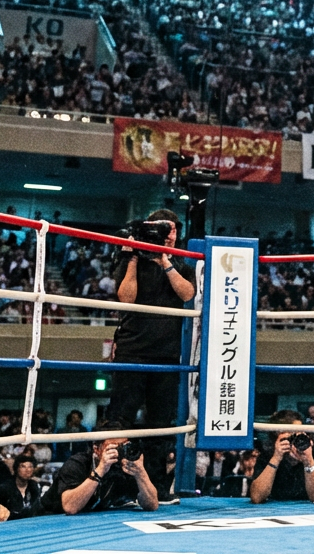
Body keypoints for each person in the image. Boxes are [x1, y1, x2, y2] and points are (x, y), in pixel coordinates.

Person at [111, 208, 196, 504]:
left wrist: (165, 262)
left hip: (166, 355)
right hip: (132, 351)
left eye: (171, 229)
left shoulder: (183, 264)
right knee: (120, 419)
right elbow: (126, 298)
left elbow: (187, 295)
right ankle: (116, 488)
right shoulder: (128, 257)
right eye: (161, 229)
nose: (168, 235)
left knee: (161, 424)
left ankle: (158, 488)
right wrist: (135, 255)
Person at [39, 423, 159, 514]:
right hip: (49, 517)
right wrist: (100, 470)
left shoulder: (124, 465)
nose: (119, 452)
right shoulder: (77, 464)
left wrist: (141, 474)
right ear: (97, 449)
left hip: (88, 519)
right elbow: (70, 507)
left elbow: (152, 505)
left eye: (123, 446)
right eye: (113, 447)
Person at [250, 410, 314, 502]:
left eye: (299, 431)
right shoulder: (267, 453)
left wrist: (308, 461)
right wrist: (276, 458)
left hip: (310, 510)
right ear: (277, 436)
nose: (296, 436)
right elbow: (257, 497)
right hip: (276, 509)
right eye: (290, 434)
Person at [0, 453, 41, 518]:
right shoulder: (5, 488)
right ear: (16, 469)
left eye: (30, 466)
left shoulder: (34, 486)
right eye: (23, 466)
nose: (27, 470)